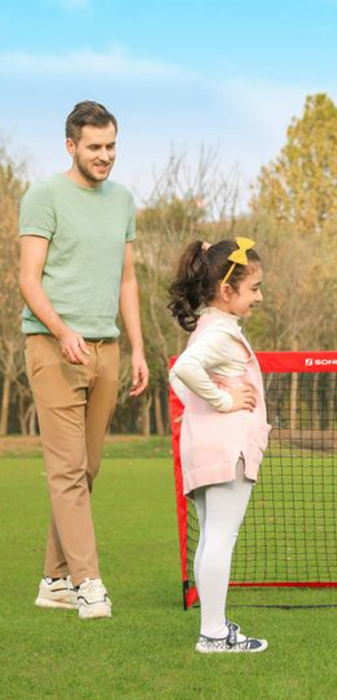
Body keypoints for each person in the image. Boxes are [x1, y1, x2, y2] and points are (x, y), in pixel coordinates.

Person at [19, 100, 148, 620]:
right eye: (94, 147)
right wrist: (61, 330)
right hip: (54, 348)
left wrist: (138, 347)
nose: (105, 156)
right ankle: (87, 582)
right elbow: (29, 279)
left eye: (111, 145)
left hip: (107, 349)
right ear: (70, 145)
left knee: (87, 469)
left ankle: (54, 579)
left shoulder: (122, 201)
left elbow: (127, 279)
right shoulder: (44, 195)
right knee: (67, 470)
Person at [168, 237, 270, 654]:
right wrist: (225, 400)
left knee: (212, 536)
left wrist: (209, 399)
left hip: (205, 449)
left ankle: (214, 625)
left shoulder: (210, 328)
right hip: (227, 451)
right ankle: (212, 634)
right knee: (221, 538)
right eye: (254, 288)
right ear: (226, 292)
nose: (259, 297)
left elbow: (179, 379)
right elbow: (185, 369)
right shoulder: (221, 334)